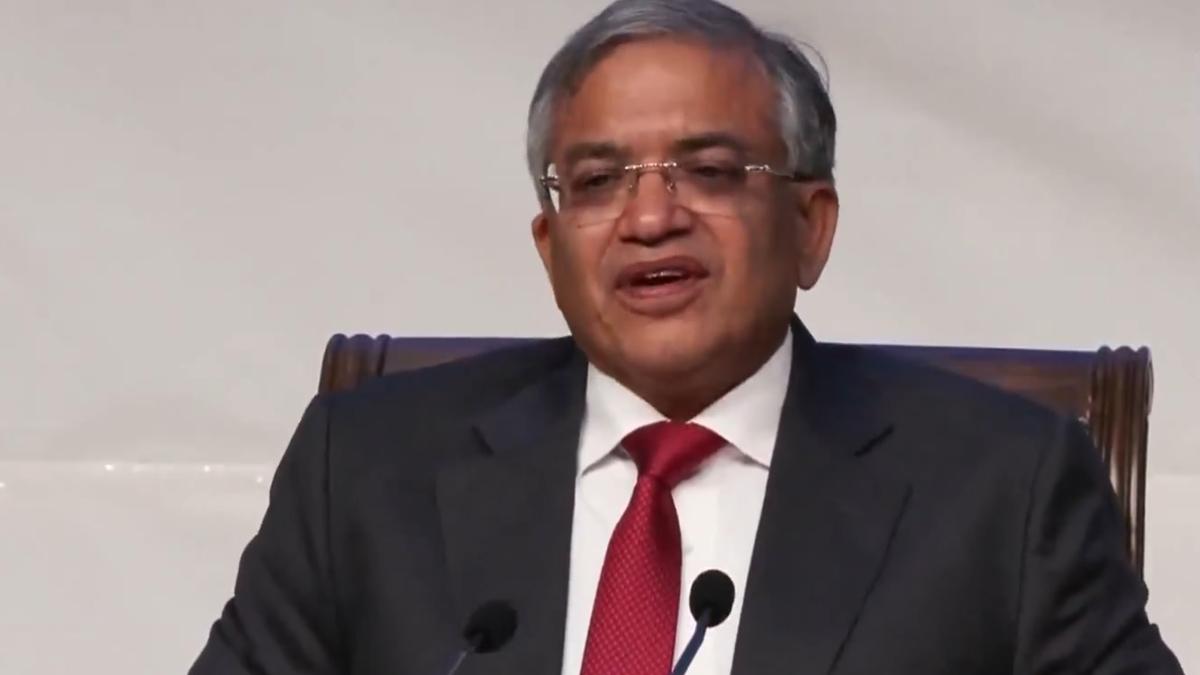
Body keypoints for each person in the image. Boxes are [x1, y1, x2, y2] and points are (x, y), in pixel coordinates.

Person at [190, 1, 1183, 673]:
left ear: (811, 226)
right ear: (550, 246)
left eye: (709, 171)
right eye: (597, 181)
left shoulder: (1002, 488)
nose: (651, 217)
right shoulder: (366, 469)